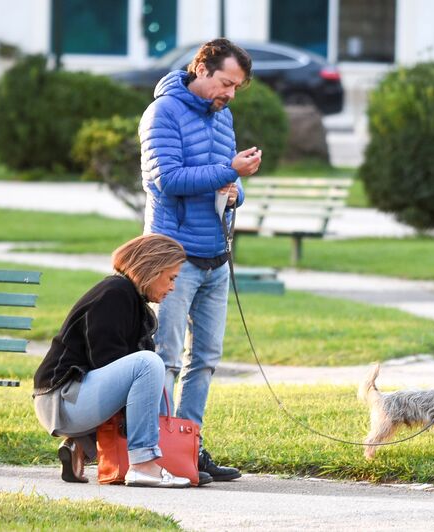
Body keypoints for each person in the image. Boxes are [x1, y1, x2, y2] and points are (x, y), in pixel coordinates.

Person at [139, 38, 261, 482]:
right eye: (226, 83)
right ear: (202, 69)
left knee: (205, 358)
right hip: (173, 259)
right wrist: (230, 171)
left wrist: (236, 189)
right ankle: (154, 453)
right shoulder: (162, 113)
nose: (230, 93)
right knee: (166, 357)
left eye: (237, 87)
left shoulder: (223, 115)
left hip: (215, 256)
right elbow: (167, 179)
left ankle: (188, 450)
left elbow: (229, 183)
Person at [32, 234, 213, 487]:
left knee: (148, 368)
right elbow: (105, 361)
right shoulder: (115, 294)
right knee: (148, 363)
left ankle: (79, 447)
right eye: (171, 278)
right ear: (152, 270)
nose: (173, 287)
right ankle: (142, 465)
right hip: (61, 400)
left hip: (72, 398)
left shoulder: (130, 298)